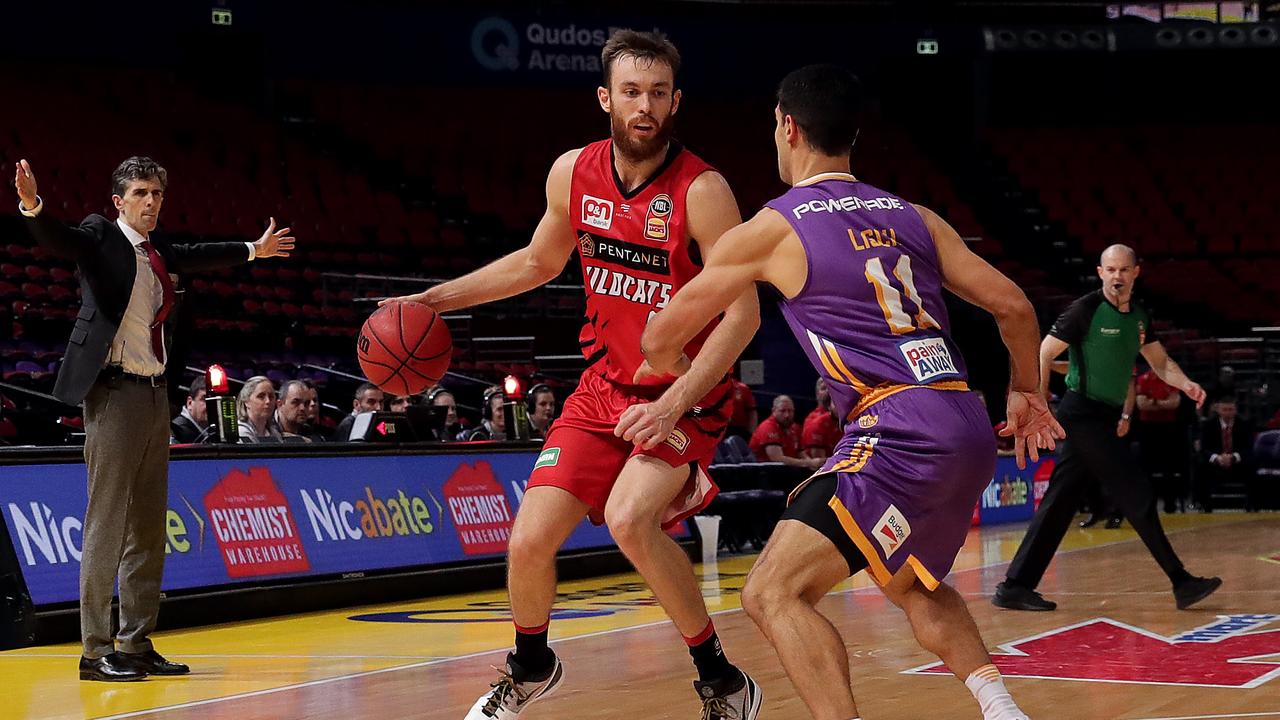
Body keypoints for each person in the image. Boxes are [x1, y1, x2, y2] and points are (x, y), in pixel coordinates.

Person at [636, 63, 1059, 720]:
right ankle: (1003, 710)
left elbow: (664, 338)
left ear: (788, 127)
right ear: (851, 135)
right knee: (910, 578)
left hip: (896, 425)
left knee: (771, 593)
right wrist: (1026, 392)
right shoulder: (913, 215)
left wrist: (662, 363)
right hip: (965, 422)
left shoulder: (773, 228)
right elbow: (1014, 308)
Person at [382, 30, 762, 720]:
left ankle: (722, 680)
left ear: (676, 101)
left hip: (684, 394)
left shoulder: (703, 191)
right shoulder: (572, 172)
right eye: (630, 92)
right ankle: (531, 664)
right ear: (604, 99)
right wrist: (428, 301)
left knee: (628, 519)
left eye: (656, 93)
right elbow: (534, 263)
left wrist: (676, 404)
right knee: (527, 539)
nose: (643, 106)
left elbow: (745, 315)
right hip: (603, 389)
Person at [13, 156, 294, 681]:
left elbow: (200, 254)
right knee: (107, 523)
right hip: (114, 393)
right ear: (119, 201)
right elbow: (59, 240)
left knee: (146, 526)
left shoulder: (160, 252)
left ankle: (135, 642)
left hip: (154, 394)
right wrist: (32, 204)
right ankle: (94, 651)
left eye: (158, 194)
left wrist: (255, 249)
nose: (151, 202)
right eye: (141, 193)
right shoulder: (101, 235)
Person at [994, 244, 1221, 614]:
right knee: (1136, 490)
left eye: (1124, 270)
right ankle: (1181, 581)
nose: (1117, 276)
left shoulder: (1141, 318)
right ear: (1101, 273)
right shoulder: (1085, 310)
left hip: (1103, 416)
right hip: (1080, 413)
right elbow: (1043, 352)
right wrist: (1036, 398)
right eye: (1110, 270)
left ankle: (1015, 586)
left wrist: (1186, 384)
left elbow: (1161, 364)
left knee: (1060, 501)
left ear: (1135, 273)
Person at [1136, 366, 1191, 512]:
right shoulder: (1143, 379)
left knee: (1169, 468)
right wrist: (1162, 403)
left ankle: (1170, 505)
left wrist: (1152, 402)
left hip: (1168, 428)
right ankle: (1146, 504)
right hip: (1148, 428)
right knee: (1145, 468)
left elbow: (1174, 404)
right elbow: (1141, 404)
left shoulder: (1172, 379)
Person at [1197, 397, 1257, 512]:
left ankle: (1251, 506)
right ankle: (1205, 507)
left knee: (1252, 464)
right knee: (1200, 466)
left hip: (1238, 463)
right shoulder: (1209, 425)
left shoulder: (1244, 424)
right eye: (1225, 410)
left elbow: (1249, 448)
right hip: (1216, 463)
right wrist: (1217, 458)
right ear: (1218, 410)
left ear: (1235, 410)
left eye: (1231, 409)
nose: (1228, 413)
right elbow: (1204, 449)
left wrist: (1234, 457)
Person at [749, 395, 819, 469]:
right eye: (782, 411)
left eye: (790, 411)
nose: (787, 415)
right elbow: (777, 459)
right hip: (767, 473)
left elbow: (801, 453)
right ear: (773, 411)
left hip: (788, 471)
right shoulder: (768, 427)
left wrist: (813, 465)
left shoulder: (795, 428)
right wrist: (808, 463)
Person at [802, 377, 841, 461]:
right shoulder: (814, 420)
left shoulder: (844, 417)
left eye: (830, 388)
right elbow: (818, 460)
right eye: (824, 388)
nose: (828, 391)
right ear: (817, 394)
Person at [237, 376, 282, 443]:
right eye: (261, 396)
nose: (268, 401)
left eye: (271, 396)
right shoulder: (241, 432)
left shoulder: (274, 433)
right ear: (246, 401)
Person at [170, 375, 207, 444]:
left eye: (214, 400)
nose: (210, 405)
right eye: (205, 399)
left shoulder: (212, 433)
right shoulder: (177, 434)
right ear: (190, 403)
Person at [725, 371, 758, 440]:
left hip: (738, 429)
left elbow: (752, 413)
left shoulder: (743, 388)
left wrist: (750, 433)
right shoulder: (712, 388)